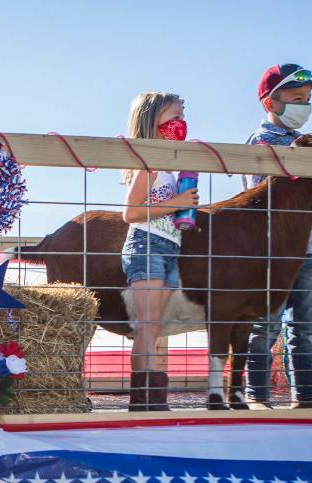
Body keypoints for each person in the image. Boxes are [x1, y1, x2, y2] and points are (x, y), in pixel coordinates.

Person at [244, 64, 312, 409]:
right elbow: (260, 194)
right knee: (266, 325)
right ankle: (257, 395)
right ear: (271, 103)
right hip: (271, 251)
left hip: (308, 249)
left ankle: (308, 395)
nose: (305, 106)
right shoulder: (261, 142)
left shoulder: (311, 146)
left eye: (307, 99)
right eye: (297, 99)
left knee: (306, 327)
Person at [119, 92, 199, 411]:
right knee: (148, 325)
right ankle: (144, 399)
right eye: (174, 117)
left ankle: (153, 397)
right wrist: (177, 203)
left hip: (169, 247)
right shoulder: (148, 165)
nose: (181, 123)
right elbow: (130, 213)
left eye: (183, 117)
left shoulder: (168, 169)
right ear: (153, 121)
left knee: (155, 326)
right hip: (146, 244)